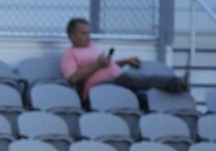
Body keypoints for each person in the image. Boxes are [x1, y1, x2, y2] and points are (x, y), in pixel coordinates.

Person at [61, 17, 189, 101]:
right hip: (97, 89)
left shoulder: (92, 47)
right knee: (130, 78)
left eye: (88, 33)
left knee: (143, 96)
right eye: (83, 33)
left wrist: (126, 61)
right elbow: (73, 78)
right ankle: (176, 84)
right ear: (72, 36)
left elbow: (105, 65)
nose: (88, 36)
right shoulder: (70, 55)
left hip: (116, 82)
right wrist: (98, 65)